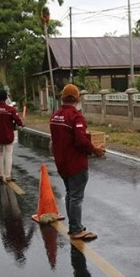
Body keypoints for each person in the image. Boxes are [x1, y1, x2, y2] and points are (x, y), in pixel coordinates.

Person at [49, 84, 105, 241]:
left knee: (70, 194)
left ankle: (74, 225)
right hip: (76, 164)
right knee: (76, 197)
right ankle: (75, 229)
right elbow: (81, 140)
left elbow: (54, 141)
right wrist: (95, 149)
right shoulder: (76, 117)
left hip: (62, 163)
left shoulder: (55, 116)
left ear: (62, 98)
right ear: (78, 99)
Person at [0, 90, 24, 182]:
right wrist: (21, 124)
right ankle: (8, 176)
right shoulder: (11, 109)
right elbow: (17, 120)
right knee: (8, 155)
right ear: (6, 98)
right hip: (8, 136)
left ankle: (0, 175)